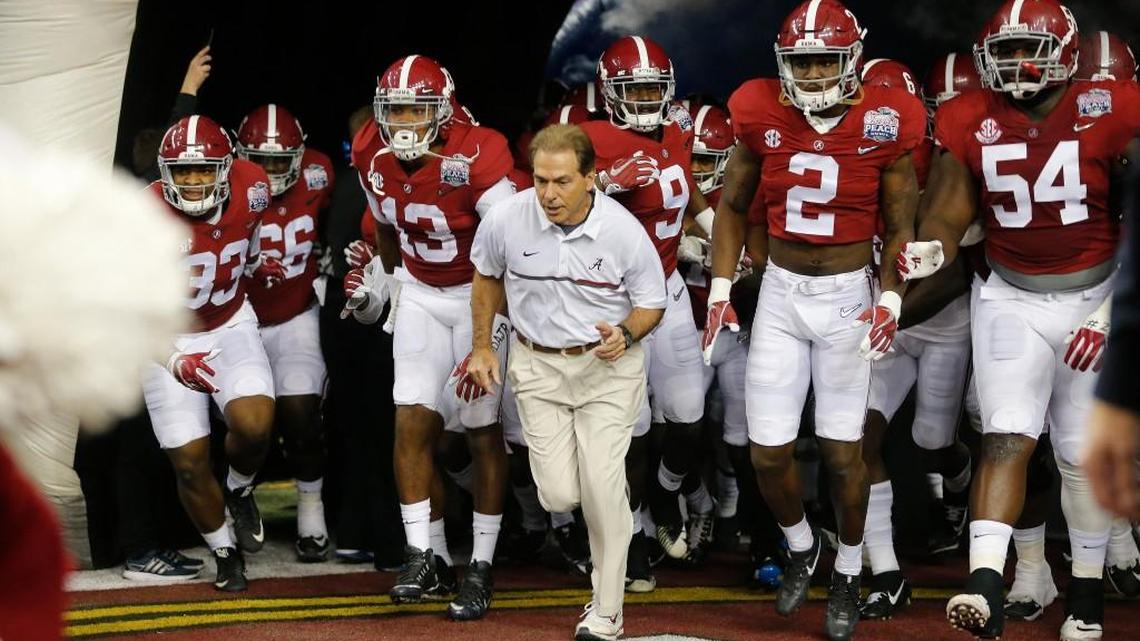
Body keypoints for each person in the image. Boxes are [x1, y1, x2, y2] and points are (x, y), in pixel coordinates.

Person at [895, 1, 1140, 638]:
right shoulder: (969, 116)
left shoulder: (1110, 107)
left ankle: (1087, 596)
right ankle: (985, 585)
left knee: (1079, 456)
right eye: (1002, 51)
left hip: (1095, 294)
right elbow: (950, 209)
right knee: (1004, 433)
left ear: (1066, 52)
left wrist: (1113, 312)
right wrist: (934, 246)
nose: (1014, 63)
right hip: (1010, 294)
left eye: (1026, 47)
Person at [703, 1, 925, 639]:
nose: (814, 72)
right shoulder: (758, 110)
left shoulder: (888, 120)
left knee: (840, 451)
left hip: (848, 297)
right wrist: (721, 286)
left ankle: (850, 573)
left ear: (852, 60)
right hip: (779, 292)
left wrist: (890, 299)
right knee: (767, 455)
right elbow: (730, 207)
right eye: (802, 60)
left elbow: (901, 223)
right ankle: (804, 546)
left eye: (825, 59)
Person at [466, 123, 667, 641]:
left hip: (606, 368)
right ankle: (607, 508)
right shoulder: (508, 219)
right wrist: (483, 345)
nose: (549, 194)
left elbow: (653, 302)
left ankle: (607, 609)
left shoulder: (623, 230)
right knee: (557, 495)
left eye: (561, 182)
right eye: (540, 181)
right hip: (536, 366)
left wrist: (625, 332)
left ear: (591, 179)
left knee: (601, 485)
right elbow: (486, 275)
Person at [346, 54, 515, 620]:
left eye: (417, 109)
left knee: (480, 430)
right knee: (411, 420)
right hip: (420, 291)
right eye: (394, 111)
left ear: (442, 112)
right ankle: (427, 555)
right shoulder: (372, 147)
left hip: (478, 295)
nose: (405, 122)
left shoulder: (480, 149)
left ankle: (483, 564)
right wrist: (393, 284)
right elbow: (386, 224)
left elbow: (510, 243)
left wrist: (494, 327)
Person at [579, 34, 711, 566]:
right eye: (631, 91)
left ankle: (664, 488)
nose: (643, 101)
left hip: (667, 288)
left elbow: (687, 185)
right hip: (609, 301)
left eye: (652, 90)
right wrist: (603, 184)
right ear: (609, 93)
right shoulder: (586, 140)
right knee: (626, 428)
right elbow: (547, 206)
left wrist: (713, 229)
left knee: (688, 415)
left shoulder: (679, 125)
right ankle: (632, 531)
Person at [144, 114, 287, 591]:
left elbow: (248, 231)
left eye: (203, 170)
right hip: (165, 338)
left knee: (256, 425)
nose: (191, 180)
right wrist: (172, 360)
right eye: (181, 171)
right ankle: (225, 552)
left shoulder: (254, 186)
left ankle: (239, 488)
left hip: (228, 323)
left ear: (227, 167)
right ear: (164, 172)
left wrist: (255, 262)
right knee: (188, 459)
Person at [856, 57, 975, 621]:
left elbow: (952, 275)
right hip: (887, 326)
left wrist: (889, 313)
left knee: (931, 441)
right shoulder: (845, 161)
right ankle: (884, 570)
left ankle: (958, 474)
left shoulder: (947, 166)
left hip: (939, 326)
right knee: (857, 438)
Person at [236, 103, 335, 562]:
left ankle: (310, 511)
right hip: (241, 321)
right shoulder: (228, 182)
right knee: (245, 422)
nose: (272, 171)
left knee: (299, 412)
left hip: (296, 313)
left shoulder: (320, 171)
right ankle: (237, 495)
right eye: (261, 160)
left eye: (280, 160)